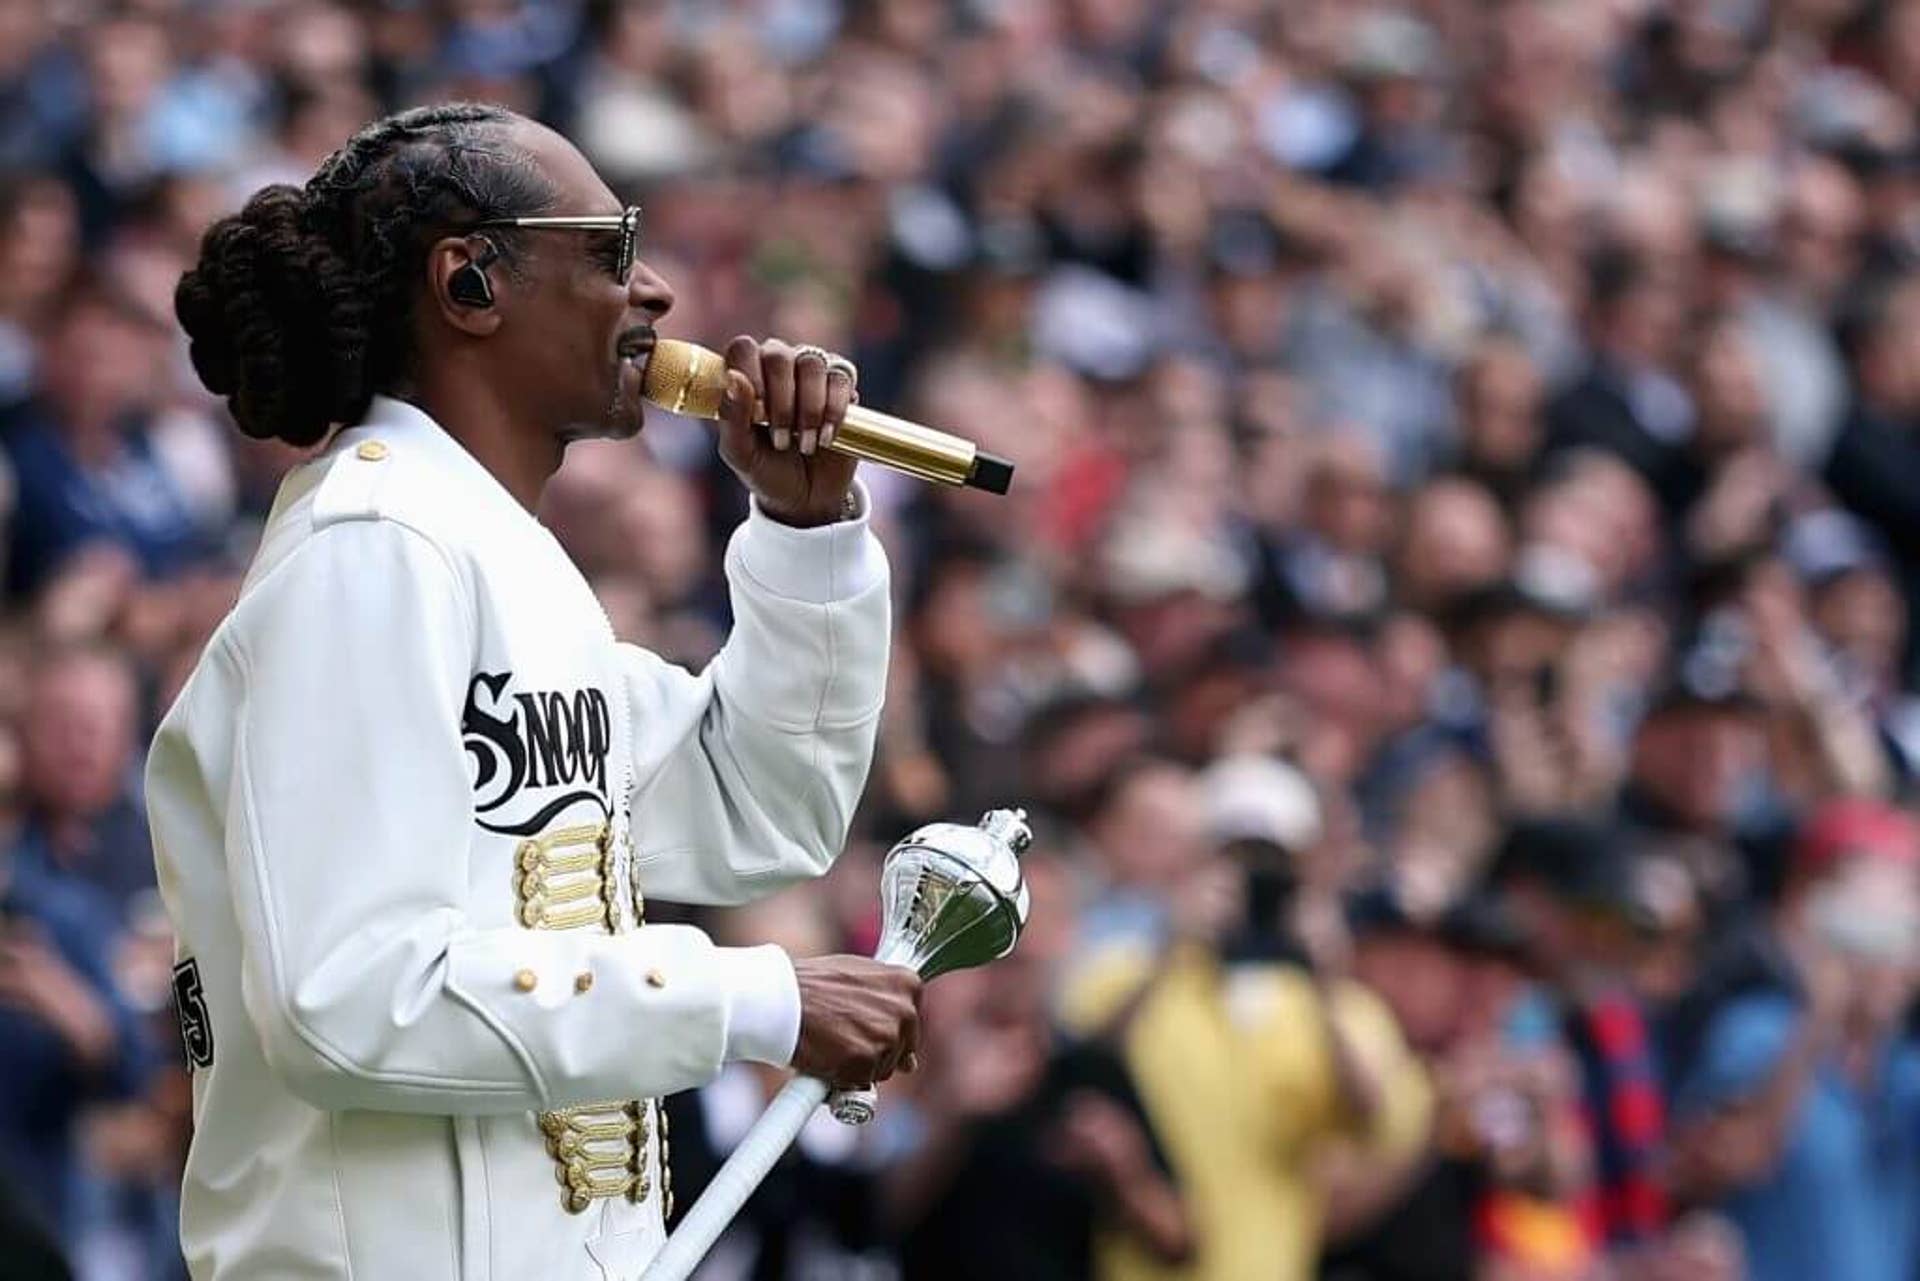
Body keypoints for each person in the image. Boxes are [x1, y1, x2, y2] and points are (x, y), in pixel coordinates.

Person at [145, 103, 920, 1280]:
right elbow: (349, 994)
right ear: (470, 285)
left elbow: (763, 812)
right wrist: (751, 1000)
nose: (654, 291)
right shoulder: (376, 547)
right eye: (611, 249)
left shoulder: (497, 562)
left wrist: (806, 529)